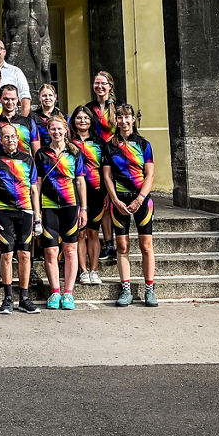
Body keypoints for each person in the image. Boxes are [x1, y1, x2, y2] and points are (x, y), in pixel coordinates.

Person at [0, 123, 41, 315]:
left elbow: (34, 190)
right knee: (6, 254)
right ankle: (7, 298)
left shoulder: (28, 160)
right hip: (3, 212)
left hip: (26, 212)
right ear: (1, 140)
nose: (10, 140)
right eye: (5, 137)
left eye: (12, 137)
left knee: (24, 254)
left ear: (18, 138)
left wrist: (38, 218)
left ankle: (24, 298)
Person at [102, 102, 157, 308]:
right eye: (119, 117)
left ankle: (149, 288)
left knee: (146, 246)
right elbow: (107, 176)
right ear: (115, 120)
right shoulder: (110, 145)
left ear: (133, 119)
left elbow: (150, 174)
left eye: (127, 117)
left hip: (142, 200)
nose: (123, 121)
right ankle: (126, 288)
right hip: (120, 201)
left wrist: (140, 198)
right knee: (122, 246)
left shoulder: (144, 144)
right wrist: (115, 199)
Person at [36, 116, 86, 311]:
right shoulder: (41, 154)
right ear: (48, 131)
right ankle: (55, 291)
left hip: (71, 206)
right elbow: (37, 183)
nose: (56, 132)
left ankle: (68, 293)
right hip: (48, 206)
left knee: (70, 250)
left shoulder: (74, 152)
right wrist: (37, 210)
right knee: (50, 251)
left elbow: (81, 181)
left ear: (66, 130)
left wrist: (84, 208)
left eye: (59, 129)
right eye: (52, 129)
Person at [70, 104, 107, 286]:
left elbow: (107, 171)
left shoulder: (100, 143)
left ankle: (94, 270)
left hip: (97, 193)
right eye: (78, 117)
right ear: (73, 121)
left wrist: (108, 194)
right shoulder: (69, 143)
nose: (82, 121)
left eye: (86, 118)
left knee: (94, 232)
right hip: (74, 194)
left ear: (91, 121)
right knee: (80, 234)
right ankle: (82, 271)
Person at [84, 70, 118, 269]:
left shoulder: (119, 107)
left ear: (110, 85)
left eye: (103, 83)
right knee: (104, 201)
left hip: (116, 158)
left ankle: (118, 239)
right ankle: (108, 243)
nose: (99, 87)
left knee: (115, 200)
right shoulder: (89, 108)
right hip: (96, 159)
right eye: (96, 83)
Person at [0, 85, 39, 160]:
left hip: (24, 169)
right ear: (0, 98)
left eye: (13, 99)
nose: (10, 102)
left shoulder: (29, 122)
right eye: (6, 99)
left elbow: (37, 154)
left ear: (17, 99)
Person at [32, 83, 62, 149]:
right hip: (40, 154)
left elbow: (68, 138)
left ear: (55, 97)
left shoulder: (63, 116)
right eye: (44, 96)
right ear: (39, 97)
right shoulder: (32, 117)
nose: (47, 98)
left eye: (50, 95)